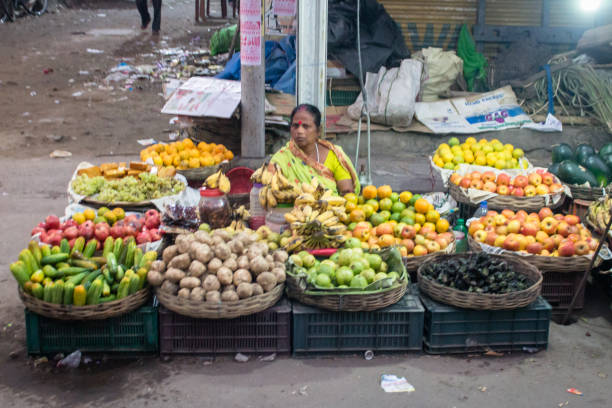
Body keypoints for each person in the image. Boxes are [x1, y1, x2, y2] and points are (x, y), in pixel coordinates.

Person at [271, 104, 360, 196]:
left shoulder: (334, 155)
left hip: (333, 208)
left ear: (318, 130)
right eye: (295, 126)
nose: (299, 131)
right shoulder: (282, 158)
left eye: (306, 126)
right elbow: (270, 190)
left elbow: (347, 193)